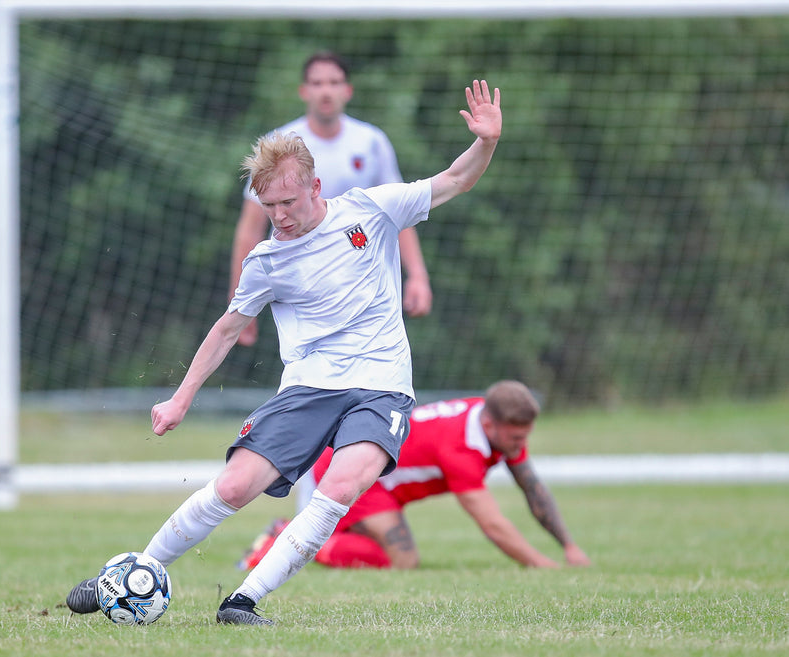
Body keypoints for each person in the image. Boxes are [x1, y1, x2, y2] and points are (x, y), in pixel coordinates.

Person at [66, 79, 503, 626]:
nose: (281, 216)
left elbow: (456, 180)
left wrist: (485, 143)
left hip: (382, 383)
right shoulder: (267, 260)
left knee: (342, 484)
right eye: (269, 206)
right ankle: (131, 574)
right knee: (232, 487)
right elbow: (226, 329)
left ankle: (241, 602)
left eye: (289, 202)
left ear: (316, 186)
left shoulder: (369, 210)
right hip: (308, 386)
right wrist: (179, 401)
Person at [237, 381, 592, 571]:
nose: (522, 446)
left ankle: (295, 535)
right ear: (489, 425)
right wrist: (540, 564)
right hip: (357, 474)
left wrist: (570, 547)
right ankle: (284, 535)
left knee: (390, 555)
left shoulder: (496, 425)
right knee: (401, 562)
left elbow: (533, 488)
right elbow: (492, 523)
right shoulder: (462, 447)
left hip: (379, 479)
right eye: (517, 438)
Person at [229, 51, 432, 347]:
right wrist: (238, 302)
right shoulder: (278, 145)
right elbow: (251, 227)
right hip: (301, 277)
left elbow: (398, 213)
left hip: (362, 274)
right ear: (304, 91)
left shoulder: (371, 142)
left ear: (347, 90)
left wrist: (417, 275)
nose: (326, 90)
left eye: (334, 82)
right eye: (317, 82)